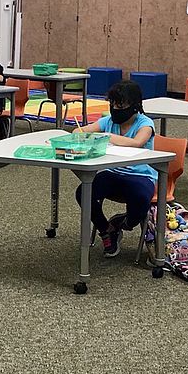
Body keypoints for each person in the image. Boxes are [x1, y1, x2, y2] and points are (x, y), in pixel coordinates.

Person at [73, 80, 156, 258]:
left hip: (140, 174)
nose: (115, 108)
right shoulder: (108, 121)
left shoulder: (145, 123)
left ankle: (125, 223)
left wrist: (107, 137)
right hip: (112, 172)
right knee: (84, 192)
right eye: (112, 104)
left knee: (141, 198)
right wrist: (83, 134)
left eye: (120, 104)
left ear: (134, 105)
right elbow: (78, 132)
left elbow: (137, 142)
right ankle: (106, 229)